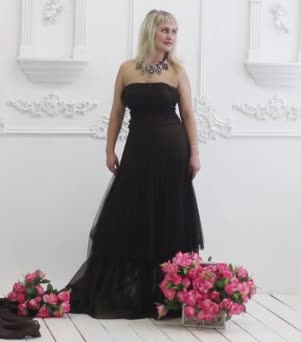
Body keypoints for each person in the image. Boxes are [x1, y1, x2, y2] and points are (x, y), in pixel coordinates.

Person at [65, 9, 204, 319]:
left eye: (174, 31)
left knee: (168, 217)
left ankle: (166, 296)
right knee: (129, 215)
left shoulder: (178, 71)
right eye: (165, 30)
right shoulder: (127, 69)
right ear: (151, 32)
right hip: (138, 152)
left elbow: (189, 114)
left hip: (172, 151)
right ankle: (127, 293)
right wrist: (109, 149)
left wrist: (194, 153)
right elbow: (116, 112)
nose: (170, 36)